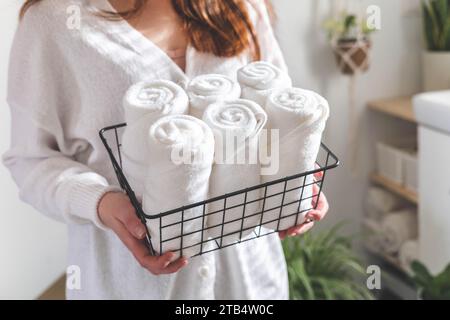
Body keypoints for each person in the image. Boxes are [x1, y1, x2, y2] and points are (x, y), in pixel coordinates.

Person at [3, 0, 329, 299]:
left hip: (248, 283)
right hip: (126, 285)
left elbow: (278, 116)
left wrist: (297, 180)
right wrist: (101, 202)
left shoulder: (240, 5)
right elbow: (31, 160)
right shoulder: (55, 23)